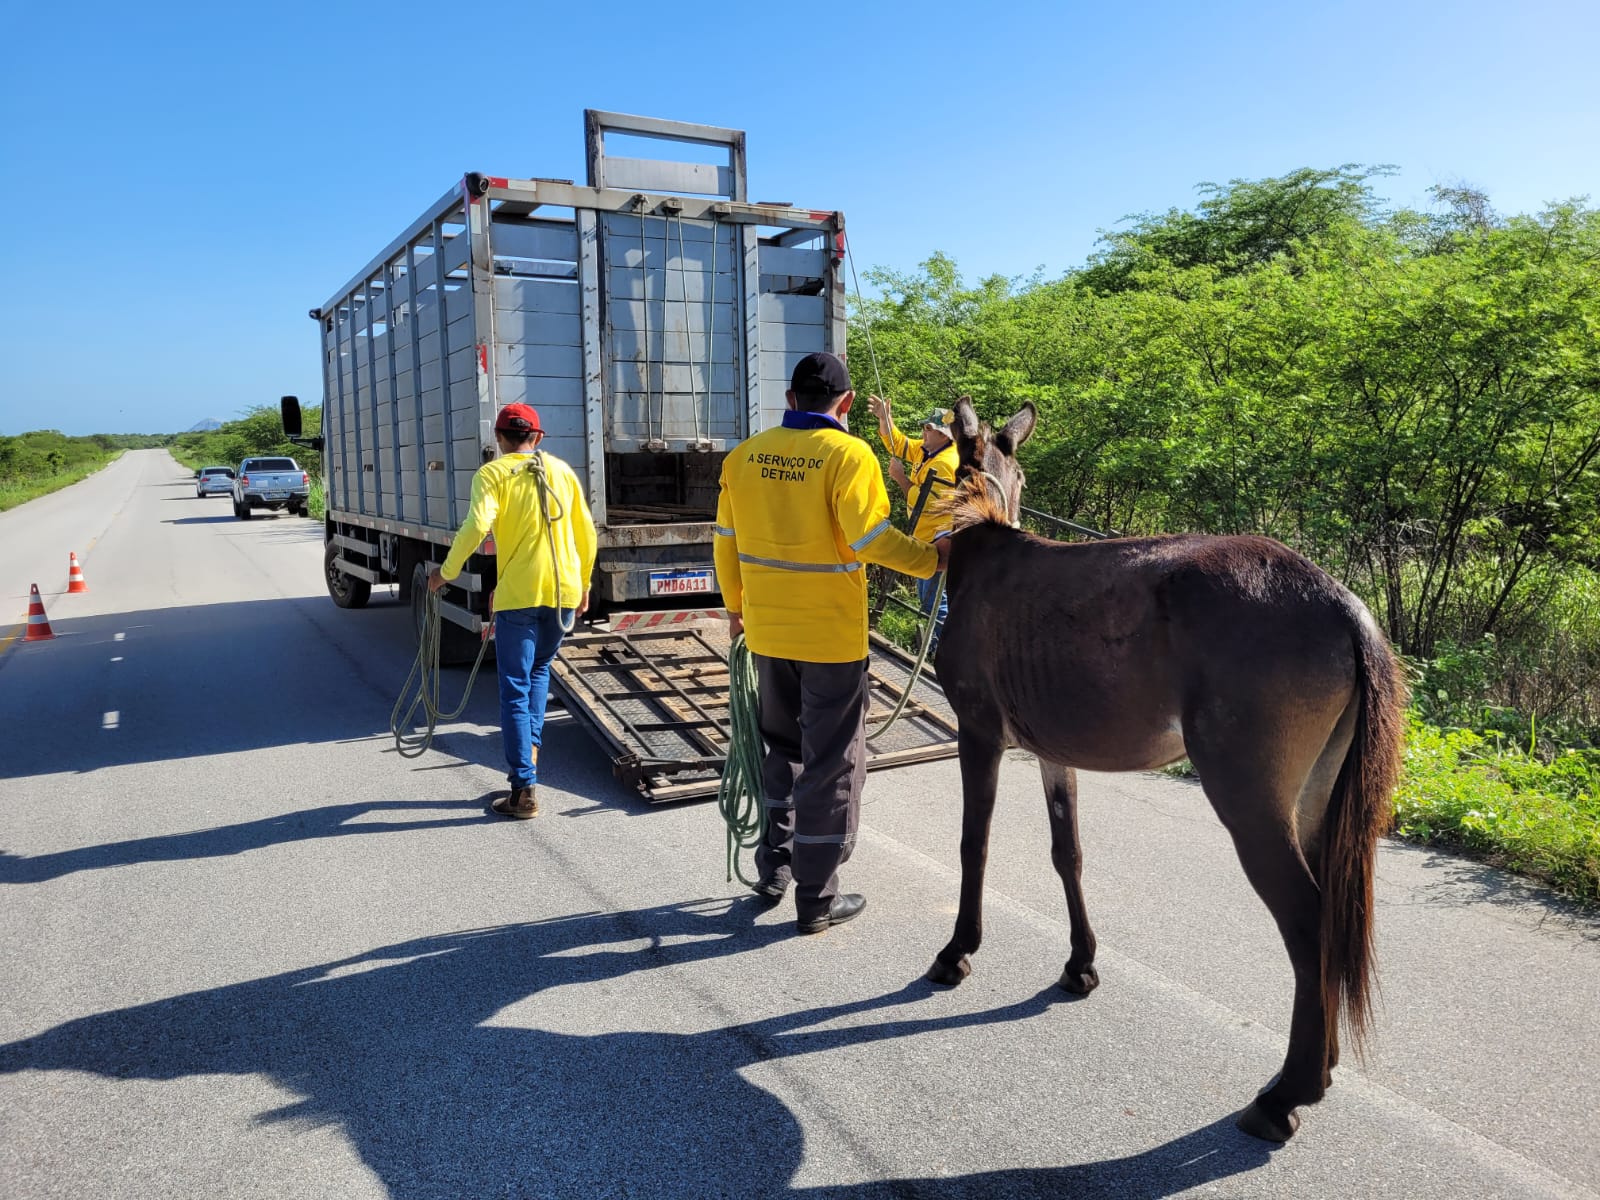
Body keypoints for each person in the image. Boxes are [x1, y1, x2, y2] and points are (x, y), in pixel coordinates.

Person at [714, 352, 950, 934]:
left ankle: (773, 869)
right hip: (831, 640)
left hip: (768, 631)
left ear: (790, 399)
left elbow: (724, 540)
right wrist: (931, 560)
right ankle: (816, 896)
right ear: (844, 404)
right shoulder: (850, 454)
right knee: (832, 762)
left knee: (778, 749)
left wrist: (736, 609)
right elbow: (870, 538)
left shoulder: (743, 457)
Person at [428, 402, 596, 819]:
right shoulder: (561, 472)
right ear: (537, 438)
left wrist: (445, 574)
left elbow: (475, 526)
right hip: (562, 593)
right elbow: (586, 533)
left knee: (515, 689)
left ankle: (523, 788)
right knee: (539, 674)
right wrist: (586, 583)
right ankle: (530, 757)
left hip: (519, 598)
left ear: (499, 440)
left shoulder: (492, 473)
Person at [867, 394, 959, 651]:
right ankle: (940, 647)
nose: (923, 432)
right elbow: (899, 444)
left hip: (938, 538)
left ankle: (944, 649)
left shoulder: (945, 463)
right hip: (925, 536)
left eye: (929, 429)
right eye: (924, 427)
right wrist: (886, 420)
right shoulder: (928, 450)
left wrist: (899, 478)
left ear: (945, 435)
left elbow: (925, 503)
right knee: (930, 598)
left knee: (933, 601)